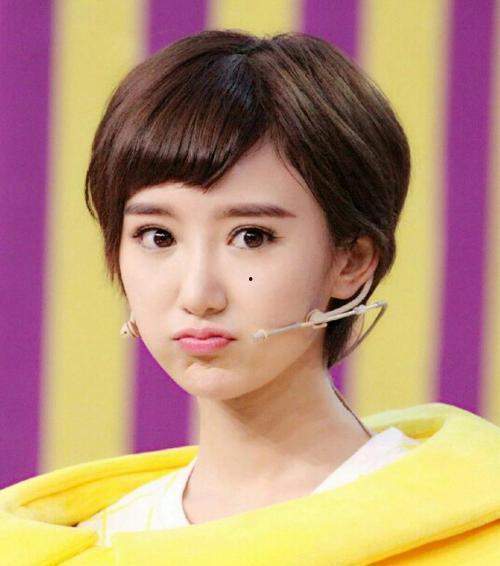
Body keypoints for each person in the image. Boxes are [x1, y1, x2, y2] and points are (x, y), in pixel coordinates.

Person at [1, 29, 499, 565]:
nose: (198, 294)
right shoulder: (87, 546)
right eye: (158, 236)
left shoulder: (470, 533)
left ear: (351, 261)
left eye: (251, 237)